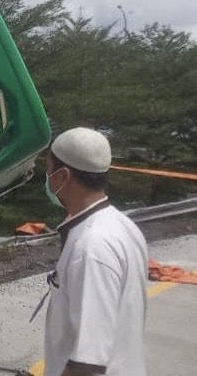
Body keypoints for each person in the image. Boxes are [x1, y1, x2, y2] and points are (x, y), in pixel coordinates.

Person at [41, 127, 148, 376]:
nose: (46, 177)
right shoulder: (123, 226)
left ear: (62, 177)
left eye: (47, 169)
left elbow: (87, 365)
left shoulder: (91, 247)